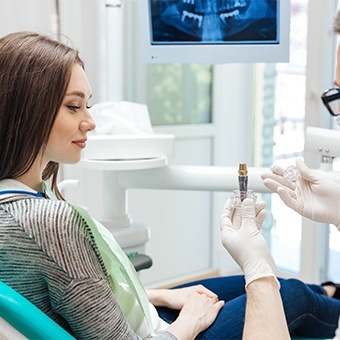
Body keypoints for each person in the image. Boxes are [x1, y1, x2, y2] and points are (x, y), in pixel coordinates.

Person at [0, 30, 339, 340]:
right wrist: (189, 321)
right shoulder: (49, 222)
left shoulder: (16, 203)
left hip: (141, 317)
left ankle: (326, 291)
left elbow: (78, 296)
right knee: (291, 295)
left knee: (281, 286)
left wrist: (161, 294)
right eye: (74, 107)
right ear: (26, 109)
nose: (90, 121)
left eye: (86, 105)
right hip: (163, 335)